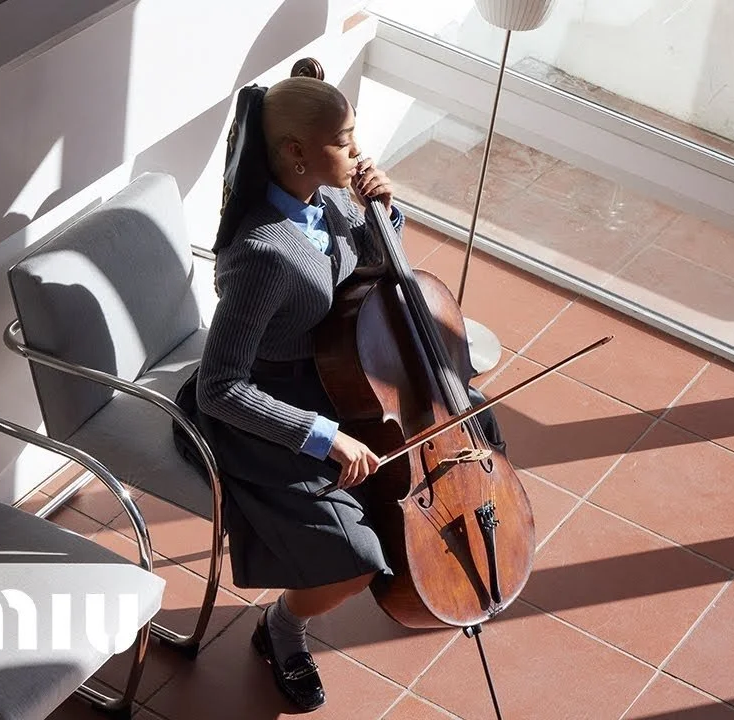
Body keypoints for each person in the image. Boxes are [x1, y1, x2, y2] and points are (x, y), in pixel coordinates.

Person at [174, 75, 505, 711]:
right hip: (266, 412)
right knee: (354, 559)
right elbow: (220, 388)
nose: (358, 152)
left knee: (448, 448)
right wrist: (324, 438)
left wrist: (385, 213)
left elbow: (373, 276)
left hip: (343, 379)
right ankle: (282, 627)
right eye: (344, 141)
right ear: (296, 152)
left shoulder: (334, 201)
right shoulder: (262, 254)